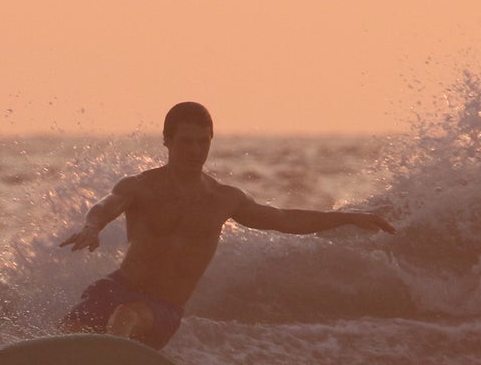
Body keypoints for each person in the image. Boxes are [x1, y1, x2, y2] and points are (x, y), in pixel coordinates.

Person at [58, 102, 395, 348]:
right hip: (118, 285)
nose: (195, 150)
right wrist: (92, 227)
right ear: (167, 141)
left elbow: (283, 219)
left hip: (162, 307)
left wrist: (348, 216)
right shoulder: (140, 186)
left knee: (124, 318)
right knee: (69, 335)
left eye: (203, 141)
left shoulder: (223, 199)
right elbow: (106, 205)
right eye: (186, 141)